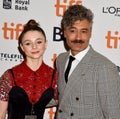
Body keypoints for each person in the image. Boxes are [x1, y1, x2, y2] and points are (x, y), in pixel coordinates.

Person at [55, 5, 120, 119]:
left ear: (90, 33)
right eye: (72, 31)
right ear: (64, 32)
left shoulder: (104, 67)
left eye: (84, 31)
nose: (78, 37)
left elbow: (113, 114)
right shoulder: (60, 59)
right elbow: (62, 96)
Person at [0, 19, 58, 119]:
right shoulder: (10, 76)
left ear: (46, 44)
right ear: (22, 47)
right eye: (28, 43)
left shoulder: (54, 76)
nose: (34, 47)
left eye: (39, 42)